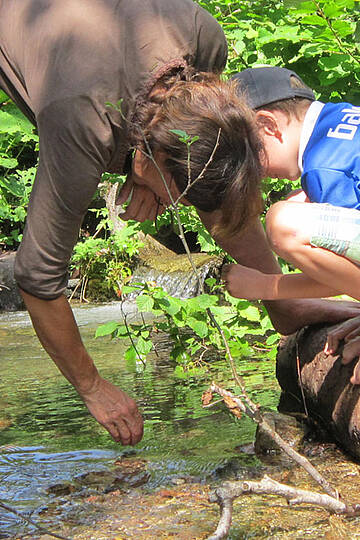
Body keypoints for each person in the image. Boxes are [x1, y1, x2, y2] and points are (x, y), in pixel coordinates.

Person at [1, 3, 360, 446]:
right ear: (143, 156)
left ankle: (283, 308)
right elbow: (36, 277)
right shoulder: (81, 121)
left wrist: (272, 291)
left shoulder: (200, 36)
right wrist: (94, 387)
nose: (182, 206)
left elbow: (203, 148)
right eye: (181, 193)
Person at [222, 66, 360, 384]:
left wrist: (266, 286)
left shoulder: (327, 167)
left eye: (247, 157)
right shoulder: (342, 119)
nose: (253, 173)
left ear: (267, 125)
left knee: (285, 221)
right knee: (301, 204)